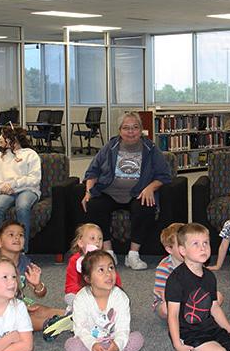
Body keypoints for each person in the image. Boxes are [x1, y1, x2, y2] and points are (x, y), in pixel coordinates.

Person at [80, 112, 173, 270]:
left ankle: (133, 255)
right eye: (126, 128)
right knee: (94, 205)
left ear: (141, 130)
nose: (131, 132)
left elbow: (164, 175)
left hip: (137, 192)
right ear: (120, 130)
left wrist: (151, 187)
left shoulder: (151, 148)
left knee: (146, 207)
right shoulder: (111, 146)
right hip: (109, 191)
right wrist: (88, 192)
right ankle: (108, 251)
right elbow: (92, 171)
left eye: (135, 127)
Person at [165, 223, 230, 351]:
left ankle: (206, 349)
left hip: (209, 327)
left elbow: (214, 307)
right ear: (183, 250)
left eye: (205, 243)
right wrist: (178, 346)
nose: (202, 247)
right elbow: (172, 316)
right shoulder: (176, 279)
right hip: (188, 333)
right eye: (195, 244)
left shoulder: (209, 276)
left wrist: (229, 329)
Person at [64, 249, 143, 351]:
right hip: (91, 343)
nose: (108, 274)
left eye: (111, 268)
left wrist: (117, 345)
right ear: (88, 278)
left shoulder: (121, 297)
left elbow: (123, 329)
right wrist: (93, 345)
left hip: (113, 341)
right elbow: (80, 329)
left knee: (138, 338)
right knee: (71, 345)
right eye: (101, 270)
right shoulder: (81, 298)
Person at [0, 220, 66, 330]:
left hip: (20, 302)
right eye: (11, 234)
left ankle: (72, 315)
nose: (17, 238)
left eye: (21, 235)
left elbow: (41, 293)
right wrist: (20, 307)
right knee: (22, 317)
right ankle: (48, 325)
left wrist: (37, 285)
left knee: (41, 309)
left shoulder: (25, 262)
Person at [0, 124, 42, 252]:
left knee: (22, 207)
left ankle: (22, 250)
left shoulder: (30, 154)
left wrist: (14, 184)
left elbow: (35, 178)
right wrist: (1, 186)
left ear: (11, 140)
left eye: (3, 136)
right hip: (6, 191)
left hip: (28, 190)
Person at [65, 223, 122, 309]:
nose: (97, 242)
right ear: (80, 243)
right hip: (80, 294)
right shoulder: (74, 260)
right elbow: (71, 284)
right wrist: (79, 298)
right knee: (70, 298)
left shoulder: (105, 259)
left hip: (102, 293)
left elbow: (115, 279)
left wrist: (118, 292)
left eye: (100, 239)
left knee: (119, 299)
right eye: (92, 238)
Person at [153, 222, 184, 319]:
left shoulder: (195, 262)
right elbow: (163, 294)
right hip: (166, 300)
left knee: (218, 296)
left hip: (190, 299)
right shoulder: (164, 268)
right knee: (165, 309)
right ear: (169, 249)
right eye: (180, 245)